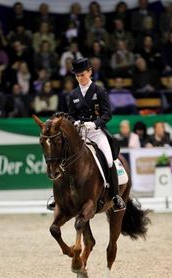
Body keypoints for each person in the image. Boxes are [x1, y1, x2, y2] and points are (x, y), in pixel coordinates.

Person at [48, 57, 125, 212]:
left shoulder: (99, 91)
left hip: (96, 133)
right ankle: (56, 196)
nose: (80, 78)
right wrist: (73, 122)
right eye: (77, 76)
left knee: (109, 160)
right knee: (63, 158)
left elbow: (107, 114)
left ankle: (116, 196)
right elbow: (71, 115)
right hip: (79, 134)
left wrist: (95, 123)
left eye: (82, 74)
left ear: (90, 72)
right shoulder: (73, 94)